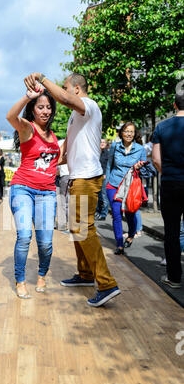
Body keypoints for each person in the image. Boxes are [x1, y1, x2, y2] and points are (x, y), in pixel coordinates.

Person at [24, 72, 119, 307]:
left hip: (87, 177)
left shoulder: (88, 105)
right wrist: (45, 166)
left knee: (84, 228)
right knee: (78, 229)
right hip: (78, 177)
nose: (65, 92)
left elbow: (65, 100)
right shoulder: (75, 117)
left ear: (76, 89)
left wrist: (42, 79)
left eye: (66, 87)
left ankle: (106, 284)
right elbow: (65, 151)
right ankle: (86, 274)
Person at [6, 83, 61, 299]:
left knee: (46, 243)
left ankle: (41, 275)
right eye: (40, 107)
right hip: (23, 188)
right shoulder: (27, 128)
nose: (45, 111)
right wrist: (27, 97)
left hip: (47, 192)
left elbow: (55, 161)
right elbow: (10, 116)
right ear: (32, 109)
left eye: (48, 107)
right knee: (24, 236)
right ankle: (20, 280)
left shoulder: (54, 136)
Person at [152, 91, 184, 289]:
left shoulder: (162, 126)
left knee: (171, 232)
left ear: (174, 105)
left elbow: (155, 159)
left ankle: (174, 278)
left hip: (171, 183)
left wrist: (169, 173)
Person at [106, 122, 146, 255]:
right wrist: (106, 183)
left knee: (130, 214)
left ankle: (131, 234)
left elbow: (146, 171)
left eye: (131, 132)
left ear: (135, 134)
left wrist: (140, 167)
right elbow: (109, 165)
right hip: (114, 184)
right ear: (121, 133)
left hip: (130, 186)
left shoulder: (140, 149)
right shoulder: (115, 146)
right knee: (116, 214)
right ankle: (119, 244)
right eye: (126, 131)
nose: (129, 134)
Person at [55, 139, 69, 231]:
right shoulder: (75, 142)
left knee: (62, 201)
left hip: (63, 175)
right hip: (69, 175)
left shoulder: (59, 143)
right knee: (67, 201)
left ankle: (62, 224)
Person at [95, 138, 110, 221]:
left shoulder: (107, 153)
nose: (102, 143)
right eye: (101, 142)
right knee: (98, 195)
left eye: (104, 142)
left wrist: (105, 174)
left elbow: (107, 165)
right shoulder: (96, 152)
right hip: (96, 176)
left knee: (104, 195)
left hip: (104, 176)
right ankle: (98, 212)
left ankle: (103, 214)